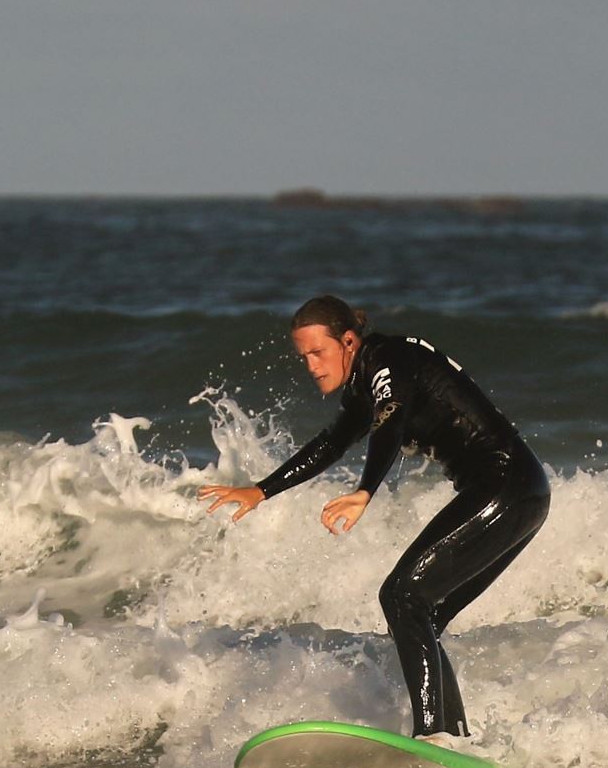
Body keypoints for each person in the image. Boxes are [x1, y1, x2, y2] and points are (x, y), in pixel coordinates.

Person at [199, 295, 550, 744]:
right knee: (424, 612)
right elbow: (332, 443)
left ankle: (433, 734)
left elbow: (390, 420)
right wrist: (262, 489)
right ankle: (457, 738)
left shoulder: (389, 361)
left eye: (317, 352)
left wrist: (364, 490)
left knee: (401, 595)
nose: (310, 365)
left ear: (348, 341)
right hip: (520, 490)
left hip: (506, 485)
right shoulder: (367, 380)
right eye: (302, 356)